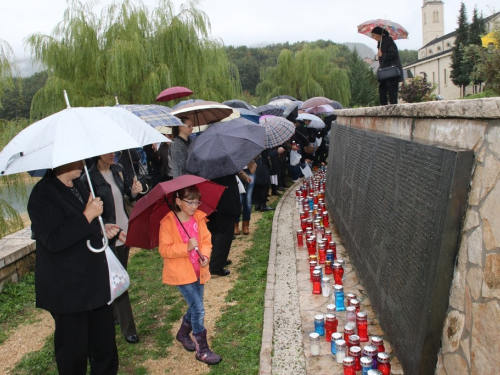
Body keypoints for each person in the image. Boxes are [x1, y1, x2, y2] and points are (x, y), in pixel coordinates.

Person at [27, 161, 119, 374]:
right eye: (77, 158)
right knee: (73, 354)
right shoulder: (42, 195)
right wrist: (88, 215)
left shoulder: (79, 184)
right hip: (67, 291)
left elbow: (83, 226)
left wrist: (102, 227)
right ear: (60, 162)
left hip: (95, 283)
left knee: (105, 348)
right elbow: (54, 240)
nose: (83, 162)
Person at [158, 185, 222, 365]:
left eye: (197, 201)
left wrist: (206, 257)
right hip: (181, 274)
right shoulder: (168, 223)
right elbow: (164, 250)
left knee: (196, 306)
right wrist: (184, 247)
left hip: (198, 271)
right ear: (178, 201)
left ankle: (182, 333)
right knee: (199, 309)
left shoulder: (199, 219)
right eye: (190, 202)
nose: (195, 206)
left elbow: (206, 241)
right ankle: (202, 349)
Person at [84, 152, 143, 344]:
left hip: (124, 231)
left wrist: (134, 191)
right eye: (108, 151)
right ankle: (129, 329)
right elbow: (89, 214)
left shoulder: (118, 170)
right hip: (107, 235)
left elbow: (126, 196)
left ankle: (115, 314)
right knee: (120, 281)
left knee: (117, 277)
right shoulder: (88, 178)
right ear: (97, 153)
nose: (112, 155)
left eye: (114, 151)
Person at [207, 174, 241, 276]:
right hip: (224, 199)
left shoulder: (205, 163)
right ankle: (216, 266)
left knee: (215, 231)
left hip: (211, 199)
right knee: (224, 233)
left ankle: (219, 258)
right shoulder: (225, 163)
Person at [372, 26, 404, 105]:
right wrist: (378, 56)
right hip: (385, 72)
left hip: (391, 71)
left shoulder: (388, 40)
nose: (373, 37)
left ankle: (393, 110)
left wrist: (383, 55)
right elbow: (380, 57)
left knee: (392, 92)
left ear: (378, 34)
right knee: (382, 90)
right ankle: (383, 107)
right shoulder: (380, 43)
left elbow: (394, 53)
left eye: (373, 35)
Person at [234, 160, 257, 235]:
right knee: (238, 199)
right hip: (237, 170)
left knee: (248, 199)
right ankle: (235, 224)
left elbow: (258, 152)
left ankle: (246, 224)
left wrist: (254, 161)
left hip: (250, 169)